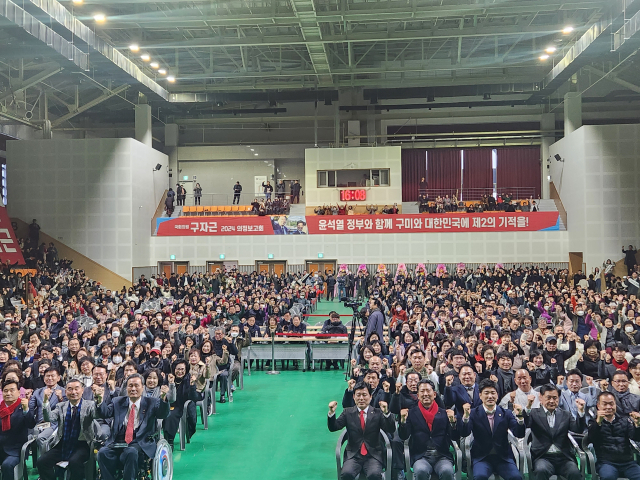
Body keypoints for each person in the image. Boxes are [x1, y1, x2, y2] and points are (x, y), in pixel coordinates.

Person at [95, 374, 170, 480]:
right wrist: (99, 399)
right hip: (118, 441)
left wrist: (163, 398)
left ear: (142, 387)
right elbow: (105, 413)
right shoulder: (117, 401)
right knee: (102, 453)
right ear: (126, 388)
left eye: (136, 385)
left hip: (140, 441)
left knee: (131, 452)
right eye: (130, 386)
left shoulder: (151, 402)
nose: (133, 388)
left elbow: (163, 414)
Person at [458, 379, 525, 480]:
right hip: (481, 458)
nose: (490, 396)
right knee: (480, 477)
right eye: (486, 393)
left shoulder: (506, 413)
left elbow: (519, 434)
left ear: (497, 395)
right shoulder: (473, 413)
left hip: (503, 457)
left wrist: (520, 417)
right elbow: (464, 433)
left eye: (493, 393)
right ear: (480, 395)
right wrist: (466, 417)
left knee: (516, 477)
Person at [328, 382, 396, 480]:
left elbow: (391, 429)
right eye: (358, 395)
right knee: (346, 474)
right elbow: (334, 427)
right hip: (353, 455)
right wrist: (331, 413)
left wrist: (386, 413)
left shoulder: (378, 413)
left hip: (373, 455)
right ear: (353, 397)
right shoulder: (347, 412)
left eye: (364, 395)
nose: (361, 398)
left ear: (370, 396)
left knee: (375, 475)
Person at [37, 379, 97, 480]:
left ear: (82, 390)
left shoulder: (89, 405)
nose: (73, 392)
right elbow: (49, 418)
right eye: (70, 389)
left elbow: (97, 414)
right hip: (63, 444)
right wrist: (45, 401)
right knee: (42, 461)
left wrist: (98, 399)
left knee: (74, 462)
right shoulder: (61, 406)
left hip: (82, 444)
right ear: (65, 392)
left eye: (76, 389)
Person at [524, 384, 586, 480]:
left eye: (555, 398)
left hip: (564, 457)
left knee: (574, 472)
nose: (552, 401)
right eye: (548, 398)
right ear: (541, 397)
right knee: (541, 470)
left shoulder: (566, 414)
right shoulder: (533, 413)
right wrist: (528, 407)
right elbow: (525, 424)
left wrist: (581, 412)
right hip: (543, 457)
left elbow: (578, 429)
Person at [398, 379, 458, 480]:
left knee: (447, 471)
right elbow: (404, 436)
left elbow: (454, 437)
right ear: (417, 395)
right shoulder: (411, 413)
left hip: (442, 456)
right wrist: (403, 421)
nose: (425, 394)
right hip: (421, 456)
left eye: (428, 391)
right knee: (421, 471)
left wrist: (453, 423)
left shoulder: (444, 413)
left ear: (434, 394)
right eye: (422, 391)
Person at [586, 391, 640, 480]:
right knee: (608, 477)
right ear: (598, 406)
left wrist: (637, 425)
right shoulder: (593, 422)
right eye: (605, 404)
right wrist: (598, 422)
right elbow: (591, 439)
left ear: (615, 405)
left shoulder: (625, 421)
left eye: (611, 404)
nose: (608, 407)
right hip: (606, 463)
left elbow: (636, 437)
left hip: (628, 462)